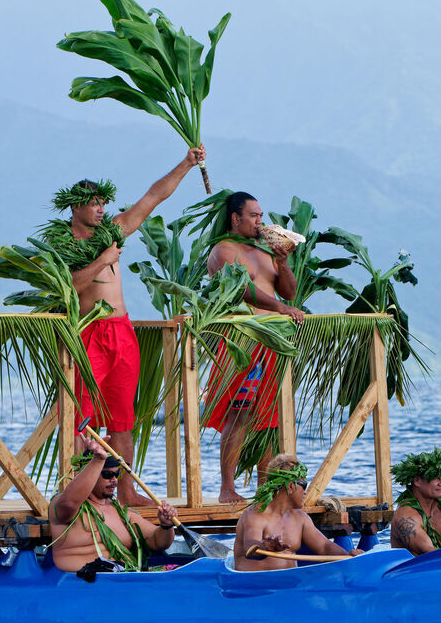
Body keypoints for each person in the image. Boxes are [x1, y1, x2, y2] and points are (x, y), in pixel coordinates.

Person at [43, 146, 206, 508]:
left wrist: (186, 163)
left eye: (103, 202)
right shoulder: (63, 243)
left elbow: (152, 198)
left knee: (122, 420)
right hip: (88, 332)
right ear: (75, 207)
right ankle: (79, 491)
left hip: (122, 331)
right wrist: (103, 260)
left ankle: (127, 493)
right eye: (93, 204)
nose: (101, 209)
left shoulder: (113, 231)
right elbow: (70, 287)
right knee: (80, 418)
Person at [203, 191, 305, 504]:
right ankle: (227, 488)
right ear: (236, 218)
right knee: (239, 412)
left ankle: (265, 488)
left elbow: (288, 292)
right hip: (243, 340)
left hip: (271, 341)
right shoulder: (223, 249)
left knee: (268, 416)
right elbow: (242, 290)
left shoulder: (264, 251)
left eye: (261, 215)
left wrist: (282, 263)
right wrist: (280, 308)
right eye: (253, 216)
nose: (260, 221)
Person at [49, 434, 177, 574]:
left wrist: (166, 525)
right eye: (107, 475)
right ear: (90, 473)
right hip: (80, 581)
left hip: (126, 577)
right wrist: (98, 460)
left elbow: (158, 542)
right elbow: (70, 503)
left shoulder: (123, 514)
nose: (114, 480)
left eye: (117, 474)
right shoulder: (63, 507)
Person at [232, 455, 359, 571]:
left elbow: (324, 547)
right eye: (304, 485)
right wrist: (266, 547)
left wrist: (350, 556)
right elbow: (250, 548)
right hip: (257, 583)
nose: (305, 492)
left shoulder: (300, 517)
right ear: (291, 486)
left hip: (292, 581)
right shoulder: (255, 515)